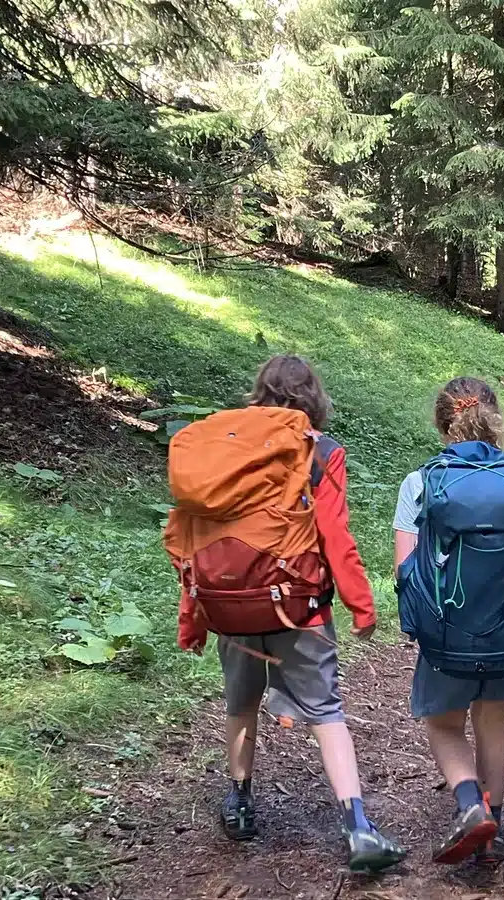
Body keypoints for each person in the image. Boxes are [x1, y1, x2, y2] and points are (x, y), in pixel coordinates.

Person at [171, 355, 406, 873]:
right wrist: (361, 605)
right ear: (313, 398)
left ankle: (239, 803)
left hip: (228, 606)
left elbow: (191, 537)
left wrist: (193, 617)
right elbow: (334, 536)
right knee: (326, 713)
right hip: (299, 607)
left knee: (240, 704)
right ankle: (358, 827)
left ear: (259, 391)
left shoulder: (221, 449)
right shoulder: (318, 450)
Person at [393, 377, 504, 866]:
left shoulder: (422, 482)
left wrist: (418, 626)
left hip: (448, 633)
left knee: (444, 724)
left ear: (443, 425)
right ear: (496, 420)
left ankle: (468, 804)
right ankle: (491, 827)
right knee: (493, 717)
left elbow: (406, 570)